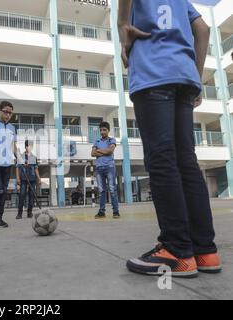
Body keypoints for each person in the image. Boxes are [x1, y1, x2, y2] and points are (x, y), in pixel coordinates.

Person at [119, 0, 221, 277]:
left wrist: (122, 24)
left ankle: (177, 250)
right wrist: (196, 76)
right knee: (186, 161)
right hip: (184, 75)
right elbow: (203, 29)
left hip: (154, 72)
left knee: (162, 159)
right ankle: (205, 251)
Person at [0, 101, 23, 228]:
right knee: (0, 190)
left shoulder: (12, 128)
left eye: (10, 113)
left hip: (8, 163)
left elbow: (13, 145)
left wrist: (19, 158)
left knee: (4, 191)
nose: (8, 115)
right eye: (5, 111)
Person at [91, 121, 120, 219]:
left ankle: (116, 211)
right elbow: (92, 153)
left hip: (109, 167)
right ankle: (101, 212)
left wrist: (98, 150)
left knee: (112, 189)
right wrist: (105, 152)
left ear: (108, 130)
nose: (102, 132)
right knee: (101, 191)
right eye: (101, 130)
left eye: (104, 130)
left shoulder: (112, 140)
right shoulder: (97, 141)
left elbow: (110, 150)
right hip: (99, 169)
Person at [16, 140, 41, 219]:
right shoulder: (21, 156)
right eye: (28, 146)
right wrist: (17, 178)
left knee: (32, 196)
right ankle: (19, 213)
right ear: (25, 147)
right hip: (23, 179)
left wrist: (39, 178)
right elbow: (17, 167)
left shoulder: (34, 157)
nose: (29, 148)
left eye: (31, 146)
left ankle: (29, 212)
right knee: (22, 195)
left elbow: (36, 168)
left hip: (32, 179)